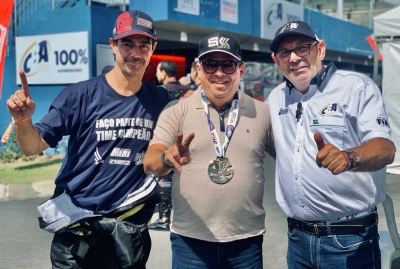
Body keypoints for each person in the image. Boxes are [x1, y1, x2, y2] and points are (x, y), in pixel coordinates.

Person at [6, 10, 174, 269]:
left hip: (127, 236)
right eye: (127, 43)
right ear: (113, 46)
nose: (135, 52)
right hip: (77, 236)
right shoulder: (79, 95)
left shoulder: (161, 101)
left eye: (144, 44)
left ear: (153, 48)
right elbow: (32, 147)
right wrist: (23, 121)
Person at [266, 21, 396, 269]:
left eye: (302, 48)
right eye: (285, 52)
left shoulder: (356, 87)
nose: (294, 58)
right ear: (277, 61)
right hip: (298, 240)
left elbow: (385, 148)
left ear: (321, 49)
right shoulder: (276, 98)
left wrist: (349, 158)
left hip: (349, 240)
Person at [143, 32, 275, 268]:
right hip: (190, 242)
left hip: (246, 241)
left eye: (228, 65)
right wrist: (167, 157)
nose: (219, 72)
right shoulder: (177, 110)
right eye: (210, 64)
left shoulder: (262, 112)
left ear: (240, 70)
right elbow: (150, 161)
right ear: (198, 70)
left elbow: (290, 158)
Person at [148, 60, 191, 231]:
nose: (157, 75)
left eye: (158, 71)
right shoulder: (188, 91)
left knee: (163, 179)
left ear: (163, 73)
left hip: (166, 141)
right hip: (187, 142)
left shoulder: (161, 92)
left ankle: (165, 218)